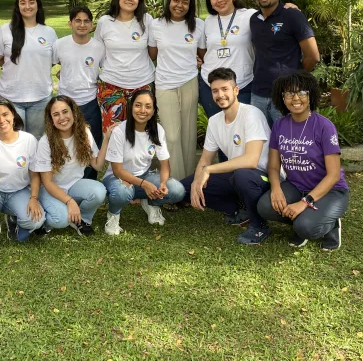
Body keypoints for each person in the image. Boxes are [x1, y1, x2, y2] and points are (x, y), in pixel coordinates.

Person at [257, 71, 349, 251]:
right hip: (297, 186)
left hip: (330, 191)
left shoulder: (324, 126)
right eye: (289, 93)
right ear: (282, 98)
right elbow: (274, 166)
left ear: (311, 95)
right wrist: (276, 189)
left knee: (305, 227)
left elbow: (333, 175)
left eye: (302, 92)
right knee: (265, 206)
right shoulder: (280, 125)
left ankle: (331, 224)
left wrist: (303, 203)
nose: (295, 98)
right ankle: (306, 215)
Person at [180, 68, 273, 242]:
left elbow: (251, 160)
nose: (220, 95)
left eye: (225, 89)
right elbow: (205, 159)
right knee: (183, 189)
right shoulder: (215, 121)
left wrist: (208, 170)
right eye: (215, 91)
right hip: (238, 177)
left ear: (236, 90)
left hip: (264, 179)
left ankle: (259, 226)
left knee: (242, 175)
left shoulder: (251, 114)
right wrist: (196, 181)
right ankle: (239, 207)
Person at [102, 90, 186, 235]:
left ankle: (151, 203)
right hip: (118, 178)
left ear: (153, 111)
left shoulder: (157, 130)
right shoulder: (119, 131)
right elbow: (117, 170)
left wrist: (163, 184)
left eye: (148, 106)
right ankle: (113, 215)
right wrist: (144, 184)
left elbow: (165, 164)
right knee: (122, 192)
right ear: (131, 107)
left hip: (144, 175)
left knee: (177, 190)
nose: (142, 110)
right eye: (138, 105)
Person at [147, 0, 205, 180]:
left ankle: (188, 181)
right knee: (171, 136)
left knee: (188, 136)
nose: (180, 5)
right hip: (164, 84)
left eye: (185, 2)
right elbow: (152, 54)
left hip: (189, 82)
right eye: (176, 0)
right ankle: (176, 184)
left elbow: (203, 54)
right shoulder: (156, 25)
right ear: (169, 1)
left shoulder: (198, 25)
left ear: (191, 5)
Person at [249, 0, 320, 126]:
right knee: (261, 144)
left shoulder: (292, 15)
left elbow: (313, 56)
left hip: (286, 95)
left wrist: (295, 79)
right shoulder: (254, 19)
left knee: (290, 143)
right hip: (258, 94)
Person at [0, 98, 46, 244]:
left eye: (5, 114)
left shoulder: (29, 140)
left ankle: (13, 218)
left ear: (13, 114)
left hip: (18, 191)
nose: (1, 120)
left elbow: (34, 174)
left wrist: (34, 198)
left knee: (36, 221)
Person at [33, 96, 108, 235]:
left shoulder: (84, 133)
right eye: (56, 114)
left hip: (73, 185)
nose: (62, 117)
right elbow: (47, 183)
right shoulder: (46, 141)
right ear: (51, 120)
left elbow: (97, 166)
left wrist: (107, 139)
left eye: (65, 111)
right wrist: (70, 202)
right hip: (50, 190)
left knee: (99, 192)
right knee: (60, 220)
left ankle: (81, 220)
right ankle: (45, 221)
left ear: (73, 112)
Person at [0, 0, 57, 139]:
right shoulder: (6, 30)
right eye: (22, 3)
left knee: (35, 140)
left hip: (41, 98)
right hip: (10, 97)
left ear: (38, 5)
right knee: (13, 141)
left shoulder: (49, 32)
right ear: (17, 6)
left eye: (31, 2)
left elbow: (53, 60)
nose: (27, 6)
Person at [94, 0, 155, 132]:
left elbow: (157, 47)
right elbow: (96, 52)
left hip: (142, 84)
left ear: (139, 1)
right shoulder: (105, 22)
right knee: (113, 133)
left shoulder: (147, 20)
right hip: (111, 85)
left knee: (141, 132)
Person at [52, 5, 105, 164]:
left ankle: (89, 182)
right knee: (66, 145)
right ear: (70, 23)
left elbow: (107, 70)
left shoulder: (99, 46)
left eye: (86, 21)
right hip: (66, 103)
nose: (82, 24)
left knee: (91, 145)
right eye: (78, 21)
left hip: (90, 102)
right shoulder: (59, 45)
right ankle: (67, 183)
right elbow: (49, 64)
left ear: (91, 25)